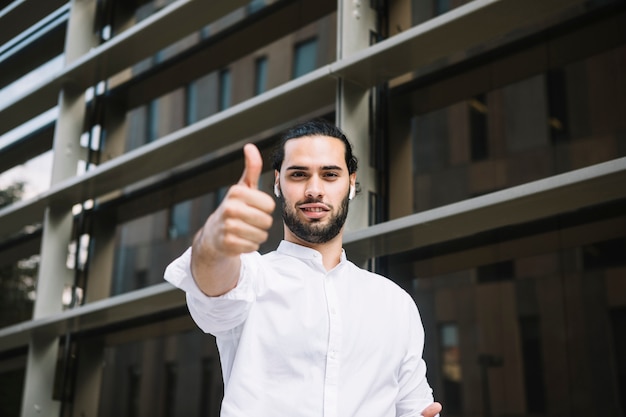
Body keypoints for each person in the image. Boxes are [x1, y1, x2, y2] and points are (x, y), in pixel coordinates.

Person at [164, 120, 442, 417]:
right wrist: (215, 241)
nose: (314, 189)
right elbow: (213, 285)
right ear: (277, 183)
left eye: (330, 174)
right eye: (298, 174)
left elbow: (414, 405)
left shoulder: (394, 303)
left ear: (350, 183)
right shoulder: (252, 277)